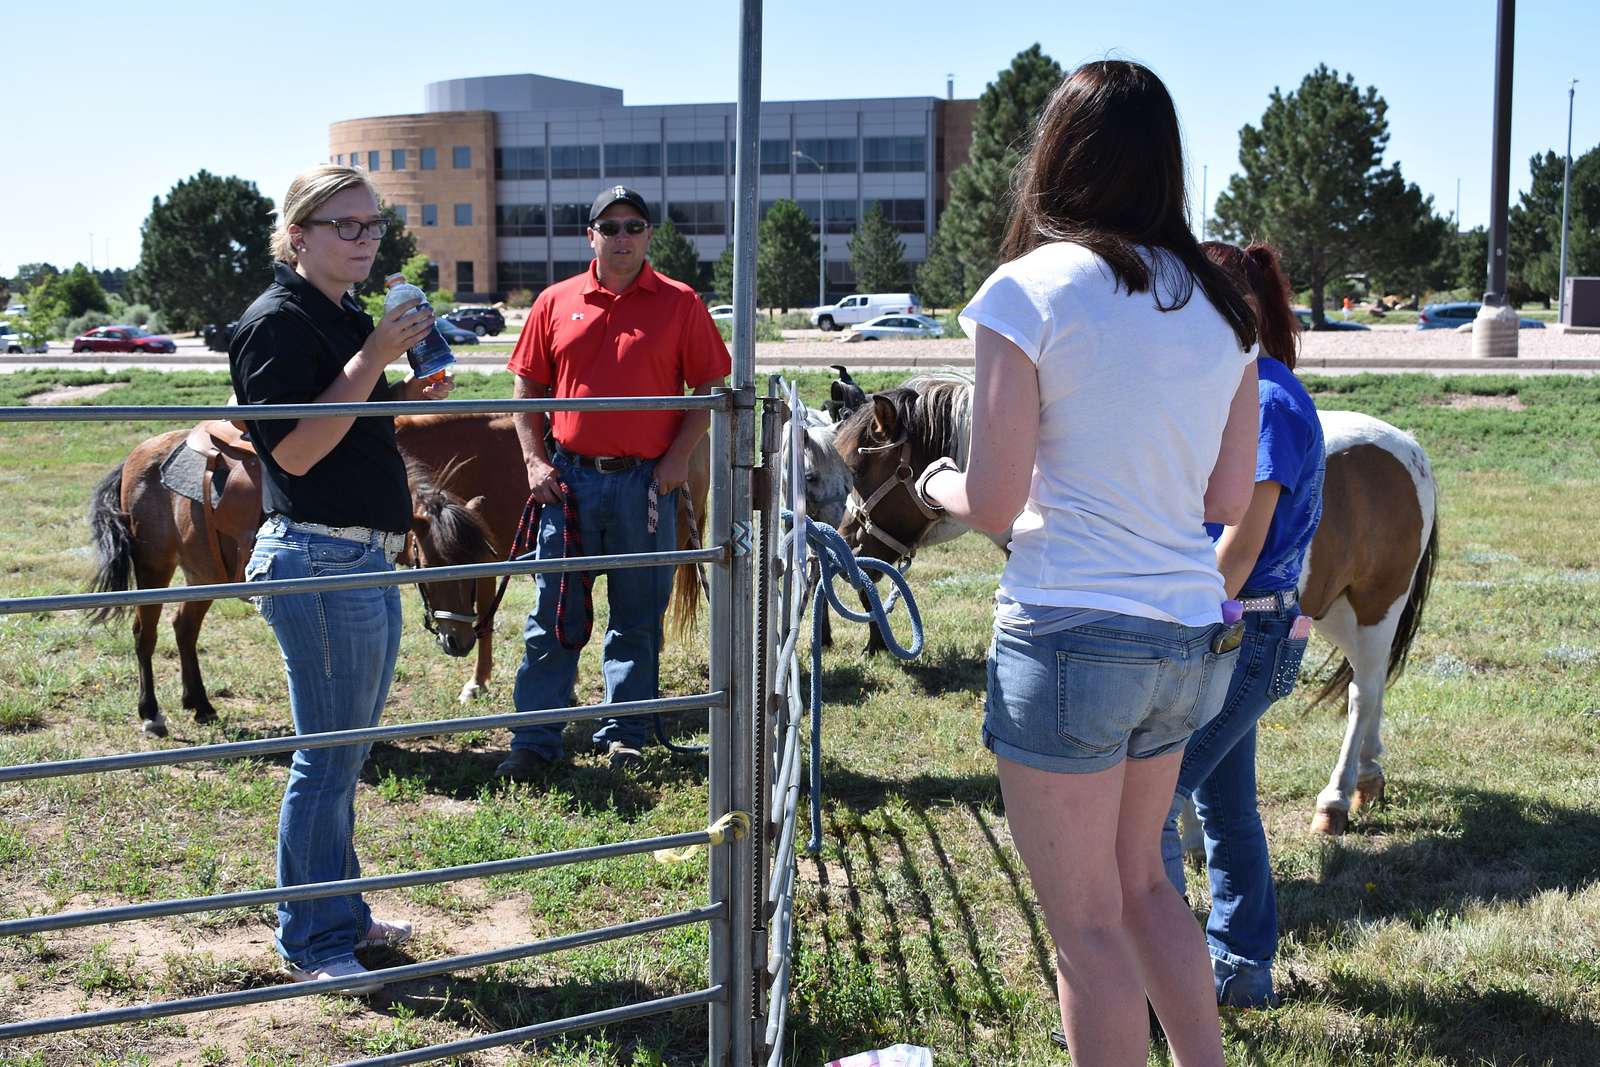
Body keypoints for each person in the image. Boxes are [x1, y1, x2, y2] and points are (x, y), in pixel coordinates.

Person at [915, 61, 1261, 1066]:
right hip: (1184, 641)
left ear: (1053, 157)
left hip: (1069, 635)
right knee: (1145, 885)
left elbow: (989, 499)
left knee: (1085, 927)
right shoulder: (1221, 310)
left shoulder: (1026, 291)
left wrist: (934, 483)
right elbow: (1224, 502)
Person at [233, 164, 454, 992]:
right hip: (317, 556)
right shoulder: (276, 324)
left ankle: (341, 913)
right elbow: (292, 449)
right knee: (325, 761)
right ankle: (312, 937)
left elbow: (345, 412)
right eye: (345, 227)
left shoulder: (339, 315)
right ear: (299, 237)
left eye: (372, 227)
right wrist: (374, 356)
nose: (365, 241)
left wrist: (397, 380)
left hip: (357, 554)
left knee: (346, 753)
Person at [495, 185, 729, 781]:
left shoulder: (680, 304)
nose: (622, 236)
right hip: (569, 482)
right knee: (553, 612)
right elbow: (527, 392)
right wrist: (533, 460)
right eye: (611, 226)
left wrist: (678, 460)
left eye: (634, 226)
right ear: (590, 235)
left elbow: (704, 392)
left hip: (645, 486)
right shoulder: (554, 301)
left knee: (637, 615)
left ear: (648, 235)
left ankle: (625, 732)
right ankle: (536, 739)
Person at [1161, 241, 1325, 1009]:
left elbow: (1242, 544)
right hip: (1245, 628)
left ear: (1236, 313)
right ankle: (1241, 967)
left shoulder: (1267, 400)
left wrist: (1181, 623)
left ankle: (1160, 983)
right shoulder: (1249, 391)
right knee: (1226, 806)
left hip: (1242, 631)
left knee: (1154, 807)